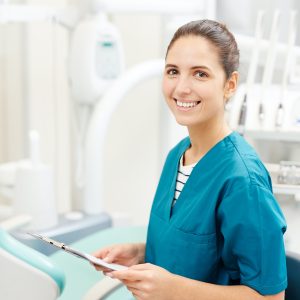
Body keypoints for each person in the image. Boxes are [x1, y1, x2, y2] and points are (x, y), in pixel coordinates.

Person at [93, 20, 287, 300]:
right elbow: (194, 249)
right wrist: (140, 253)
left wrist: (173, 290)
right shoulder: (179, 155)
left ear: (230, 85)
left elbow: (271, 297)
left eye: (200, 74)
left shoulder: (243, 181)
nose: (182, 87)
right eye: (173, 71)